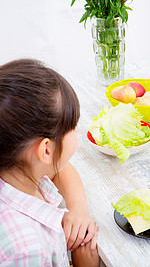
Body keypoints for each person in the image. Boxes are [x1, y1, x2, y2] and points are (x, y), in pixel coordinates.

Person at [0, 59, 100, 266]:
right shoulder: (27, 252)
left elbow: (61, 171)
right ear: (46, 149)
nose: (76, 131)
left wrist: (78, 209)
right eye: (72, 126)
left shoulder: (15, 171)